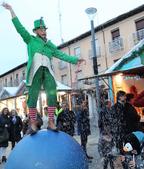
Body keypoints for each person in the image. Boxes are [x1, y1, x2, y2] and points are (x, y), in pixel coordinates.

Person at [2, 3, 84, 135]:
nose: (43, 31)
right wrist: (11, 10)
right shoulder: (30, 40)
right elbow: (19, 28)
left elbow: (60, 54)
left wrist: (75, 60)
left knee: (52, 93)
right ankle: (33, 122)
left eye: (44, 29)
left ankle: (51, 121)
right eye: (40, 29)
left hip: (48, 72)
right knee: (32, 97)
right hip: (35, 71)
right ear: (35, 31)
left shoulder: (50, 45)